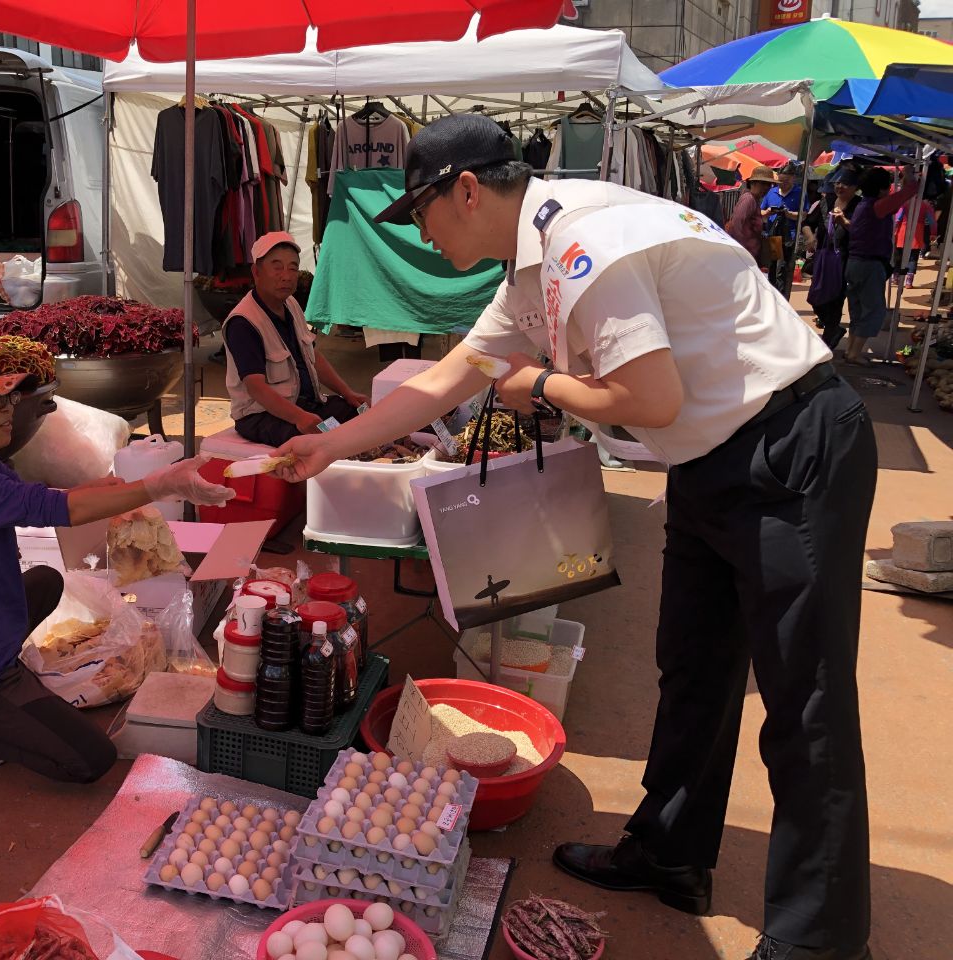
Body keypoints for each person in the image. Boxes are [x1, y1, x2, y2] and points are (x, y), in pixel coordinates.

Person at [275, 114, 877, 960]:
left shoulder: (583, 242)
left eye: (421, 212)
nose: (421, 233)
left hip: (790, 446)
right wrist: (331, 445)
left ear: (467, 191)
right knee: (694, 670)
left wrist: (544, 384)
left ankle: (820, 941)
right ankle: (669, 852)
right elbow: (450, 377)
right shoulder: (531, 268)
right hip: (710, 459)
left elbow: (650, 398)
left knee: (805, 701)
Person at [0, 346, 233, 780]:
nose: (9, 410)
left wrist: (102, 487)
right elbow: (62, 510)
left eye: (10, 398)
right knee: (90, 759)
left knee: (47, 580)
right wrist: (161, 484)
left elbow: (39, 499)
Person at [222, 231, 369, 446]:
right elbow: (256, 388)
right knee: (320, 440)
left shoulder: (290, 303)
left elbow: (313, 357)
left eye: (293, 268)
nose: (287, 276)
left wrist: (348, 393)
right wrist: (300, 418)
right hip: (261, 415)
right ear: (256, 272)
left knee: (360, 414)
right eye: (277, 267)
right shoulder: (243, 322)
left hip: (306, 405)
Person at [843, 165, 918, 365]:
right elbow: (909, 191)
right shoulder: (877, 206)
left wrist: (905, 178)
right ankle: (854, 354)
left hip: (854, 263)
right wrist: (909, 175)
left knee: (857, 310)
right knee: (873, 311)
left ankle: (850, 350)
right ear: (881, 189)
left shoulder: (863, 205)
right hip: (869, 265)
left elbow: (900, 196)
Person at [802, 167, 861, 350]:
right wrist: (810, 238)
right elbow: (807, 224)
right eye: (837, 183)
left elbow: (862, 232)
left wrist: (844, 222)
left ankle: (828, 339)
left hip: (844, 259)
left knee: (835, 298)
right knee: (815, 297)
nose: (840, 186)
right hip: (822, 257)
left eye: (845, 184)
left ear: (855, 187)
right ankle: (833, 329)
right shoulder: (825, 202)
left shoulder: (859, 205)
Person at [761, 164, 806, 297]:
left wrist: (788, 214)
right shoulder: (771, 192)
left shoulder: (799, 193)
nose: (783, 184)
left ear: (793, 179)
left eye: (786, 181)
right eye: (780, 181)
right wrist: (768, 212)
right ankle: (772, 296)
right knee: (773, 268)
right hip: (774, 236)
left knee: (783, 269)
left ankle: (782, 298)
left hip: (789, 238)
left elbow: (803, 215)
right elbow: (761, 213)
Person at [725, 166, 777, 262]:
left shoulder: (754, 200)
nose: (766, 187)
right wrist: (740, 252)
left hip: (748, 255)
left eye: (769, 184)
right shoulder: (748, 199)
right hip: (742, 256)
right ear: (753, 183)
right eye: (763, 183)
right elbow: (736, 225)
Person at [893, 195, 936, 288]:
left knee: (899, 256)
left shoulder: (904, 203)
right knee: (913, 257)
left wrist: (894, 230)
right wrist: (933, 233)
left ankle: (896, 276)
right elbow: (932, 221)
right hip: (917, 233)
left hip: (903, 232)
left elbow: (898, 218)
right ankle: (909, 281)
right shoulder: (925, 205)